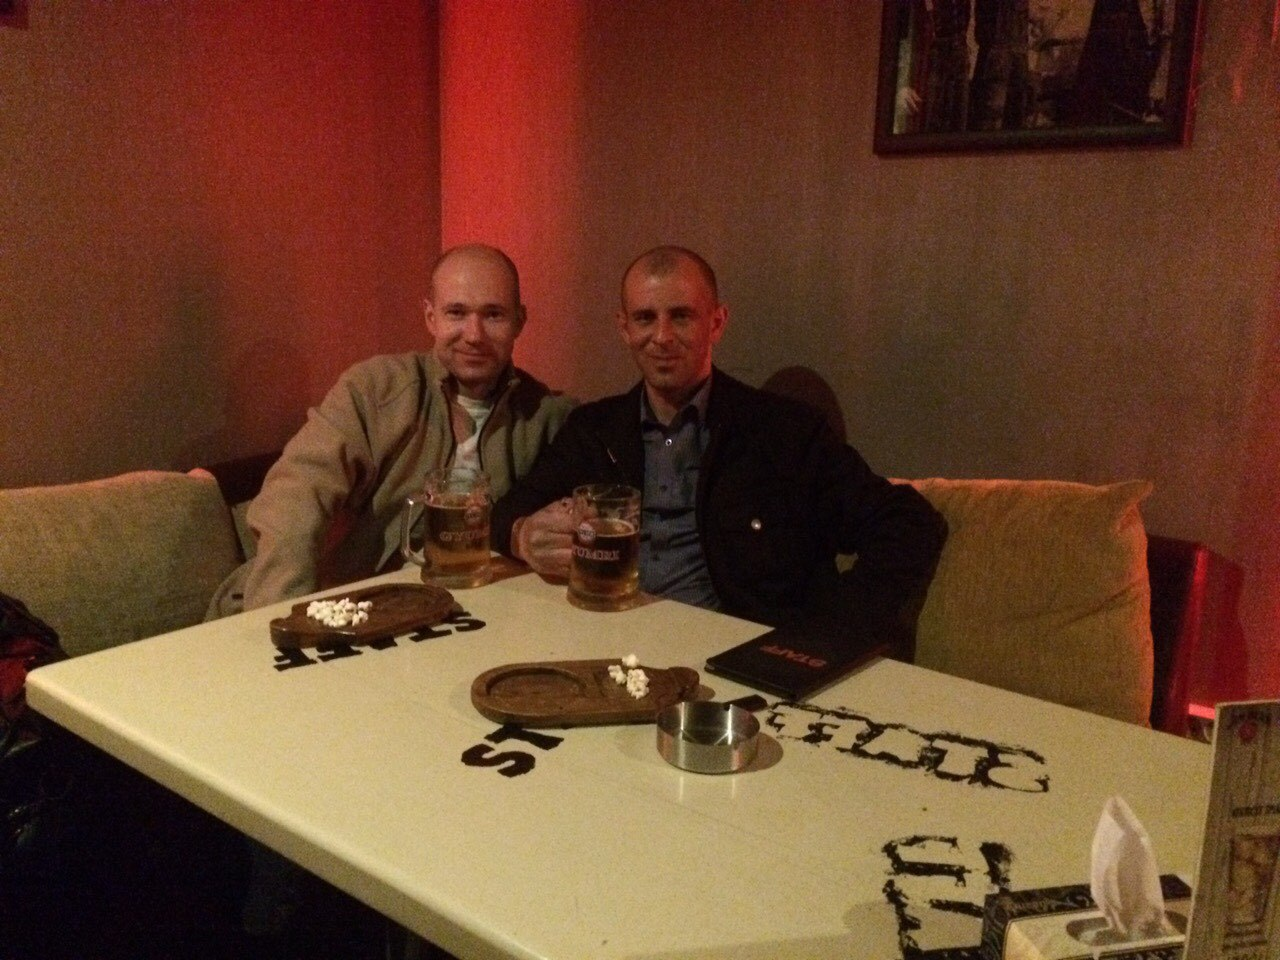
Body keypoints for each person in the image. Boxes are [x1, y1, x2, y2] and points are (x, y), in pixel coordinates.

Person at [491, 246, 946, 658]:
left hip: (735, 662)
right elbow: (507, 512)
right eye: (645, 318)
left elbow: (908, 522)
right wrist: (522, 535)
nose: (662, 337)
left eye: (681, 317)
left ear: (717, 322)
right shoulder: (594, 429)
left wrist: (832, 631)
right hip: (609, 646)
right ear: (624, 328)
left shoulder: (785, 432)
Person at [209, 243, 575, 616]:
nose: (474, 334)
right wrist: (281, 617)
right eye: (456, 313)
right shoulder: (376, 388)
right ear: (431, 317)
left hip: (461, 616)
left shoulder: (547, 417)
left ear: (519, 321)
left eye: (493, 314)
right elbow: (294, 496)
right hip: (344, 605)